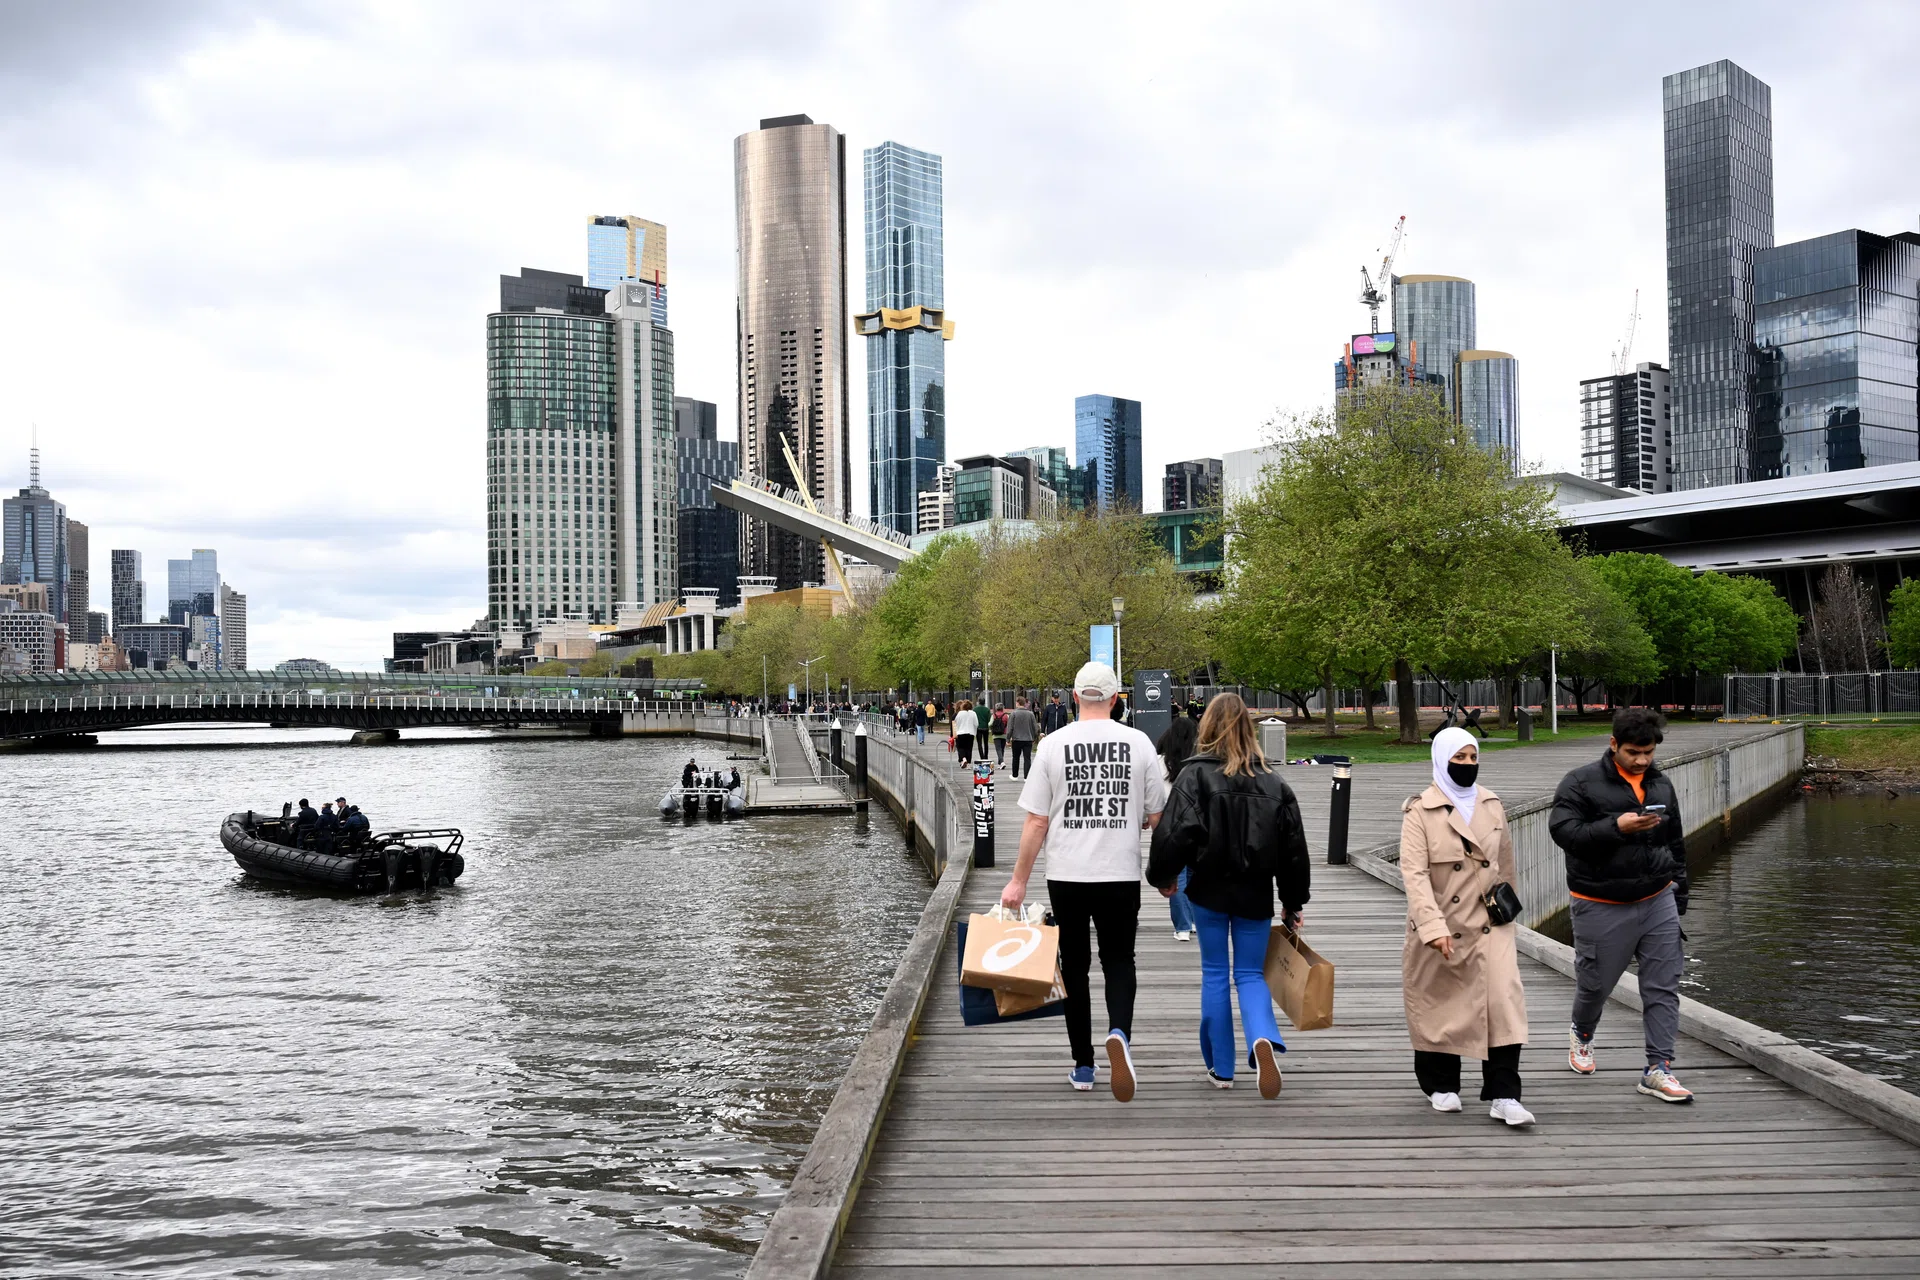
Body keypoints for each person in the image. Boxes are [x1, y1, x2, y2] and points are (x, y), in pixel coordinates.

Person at [1001, 662, 1167, 1101]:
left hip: (1067, 874)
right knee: (1119, 960)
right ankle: (1120, 1035)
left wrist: (1018, 882)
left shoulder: (1053, 745)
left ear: (1074, 698)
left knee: (1073, 966)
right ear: (1116, 700)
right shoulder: (1139, 744)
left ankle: (1082, 1064)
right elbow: (1157, 816)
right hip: (1120, 872)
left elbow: (1037, 822)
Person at [1146, 693, 1308, 1098]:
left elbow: (1173, 832)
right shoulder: (1275, 783)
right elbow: (1293, 850)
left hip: (1208, 890)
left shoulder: (1193, 776)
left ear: (1208, 728)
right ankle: (1262, 1038)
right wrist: (1293, 902)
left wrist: (1163, 876)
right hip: (1255, 893)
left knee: (1215, 974)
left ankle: (1221, 1068)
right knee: (1251, 974)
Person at [1549, 707, 1694, 1104]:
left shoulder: (1661, 785)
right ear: (1614, 745)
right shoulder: (1579, 782)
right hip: (1600, 902)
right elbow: (1563, 832)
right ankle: (1582, 1033)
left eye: (1648, 753)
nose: (1642, 761)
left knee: (1663, 986)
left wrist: (1679, 891)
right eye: (1633, 752)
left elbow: (1675, 843)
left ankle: (1658, 1068)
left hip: (1657, 897)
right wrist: (1617, 827)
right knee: (1595, 985)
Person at [1401, 727, 1534, 1126]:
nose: (1467, 766)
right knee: (1441, 1006)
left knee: (1503, 1004)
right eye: (1459, 759)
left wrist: (1506, 909)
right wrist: (1432, 926)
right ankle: (1440, 1085)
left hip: (1491, 927)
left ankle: (1505, 1095)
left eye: (1473, 758)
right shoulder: (1419, 812)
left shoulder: (1492, 804)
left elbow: (1504, 865)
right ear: (1441, 760)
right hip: (1441, 926)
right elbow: (1415, 875)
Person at [1154, 715, 1202, 941]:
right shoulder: (1198, 762)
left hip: (1170, 822)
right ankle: (1194, 920)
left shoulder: (1160, 762)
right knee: (1194, 873)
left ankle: (1182, 926)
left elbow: (1154, 794)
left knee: (1177, 875)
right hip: (1198, 823)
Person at [1006, 696, 1038, 779]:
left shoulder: (1013, 714)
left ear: (1017, 703)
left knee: (1015, 757)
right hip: (1028, 739)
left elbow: (1010, 728)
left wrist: (1008, 739)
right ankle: (1026, 777)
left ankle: (1015, 775)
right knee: (1027, 758)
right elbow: (1035, 727)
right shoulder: (1030, 714)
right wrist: (1034, 737)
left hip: (1016, 739)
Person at [952, 699, 977, 766]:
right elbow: (976, 724)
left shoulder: (960, 713)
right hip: (970, 733)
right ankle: (968, 763)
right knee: (969, 748)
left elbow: (956, 722)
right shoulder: (973, 713)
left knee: (960, 747)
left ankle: (963, 758)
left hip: (961, 732)